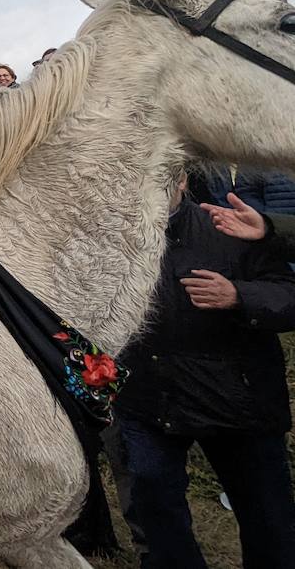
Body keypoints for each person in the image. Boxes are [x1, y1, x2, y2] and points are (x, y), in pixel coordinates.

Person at [111, 186, 295, 567]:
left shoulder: (227, 226)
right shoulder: (114, 236)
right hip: (150, 399)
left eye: (162, 177)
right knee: (155, 502)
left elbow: (288, 295)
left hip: (237, 401)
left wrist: (239, 295)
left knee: (267, 516)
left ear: (181, 180)